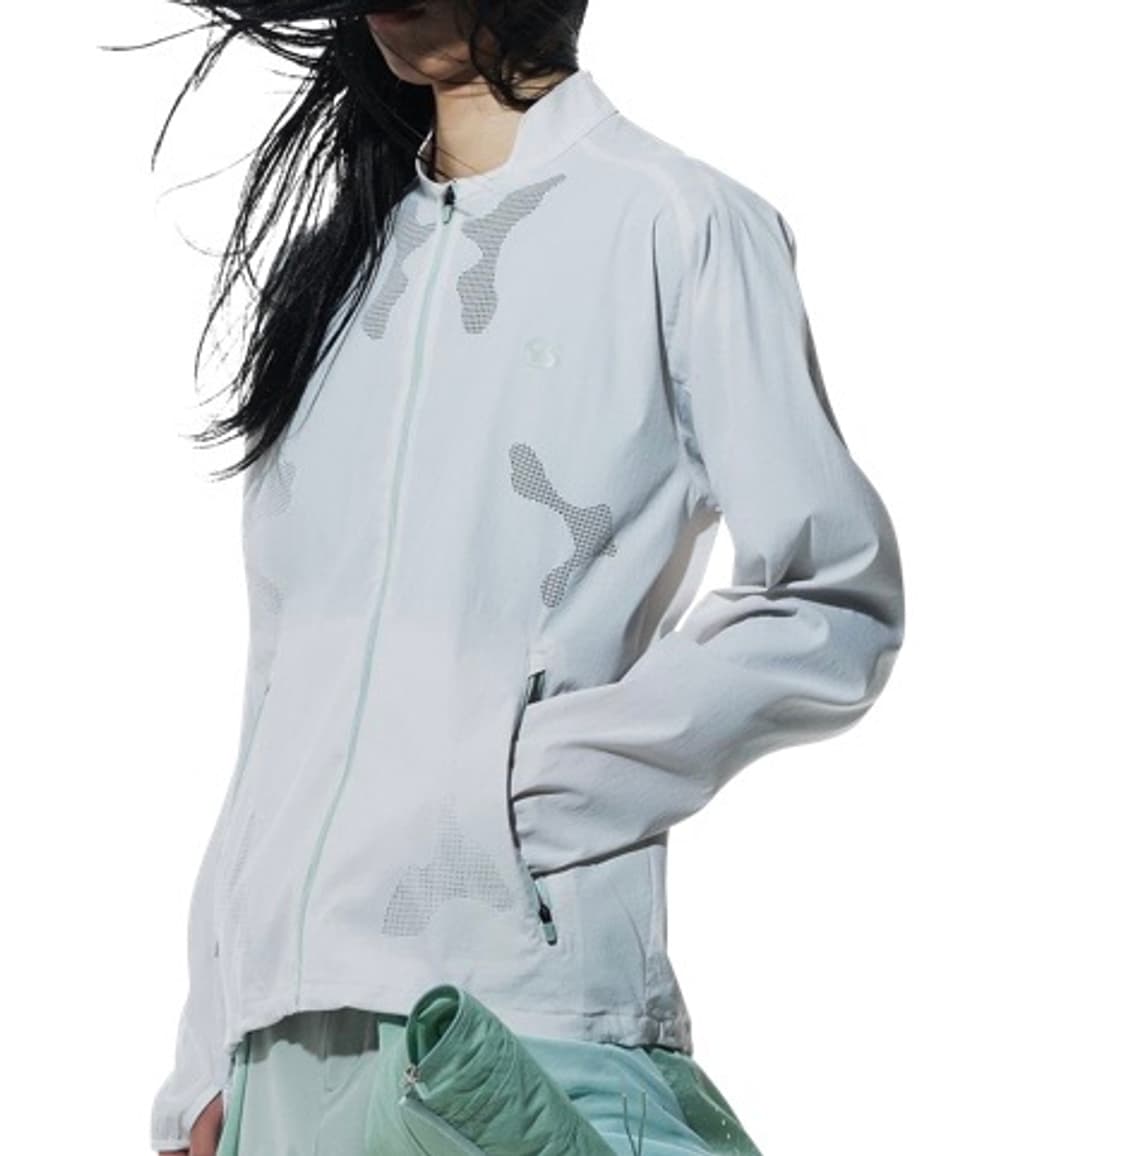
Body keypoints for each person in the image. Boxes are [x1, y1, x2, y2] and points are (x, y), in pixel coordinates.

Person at [144, 1, 906, 1153]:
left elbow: (832, 591)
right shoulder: (331, 280)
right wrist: (208, 1049)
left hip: (509, 1024)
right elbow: (279, 687)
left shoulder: (676, 223)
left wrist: (526, 789)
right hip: (273, 1069)